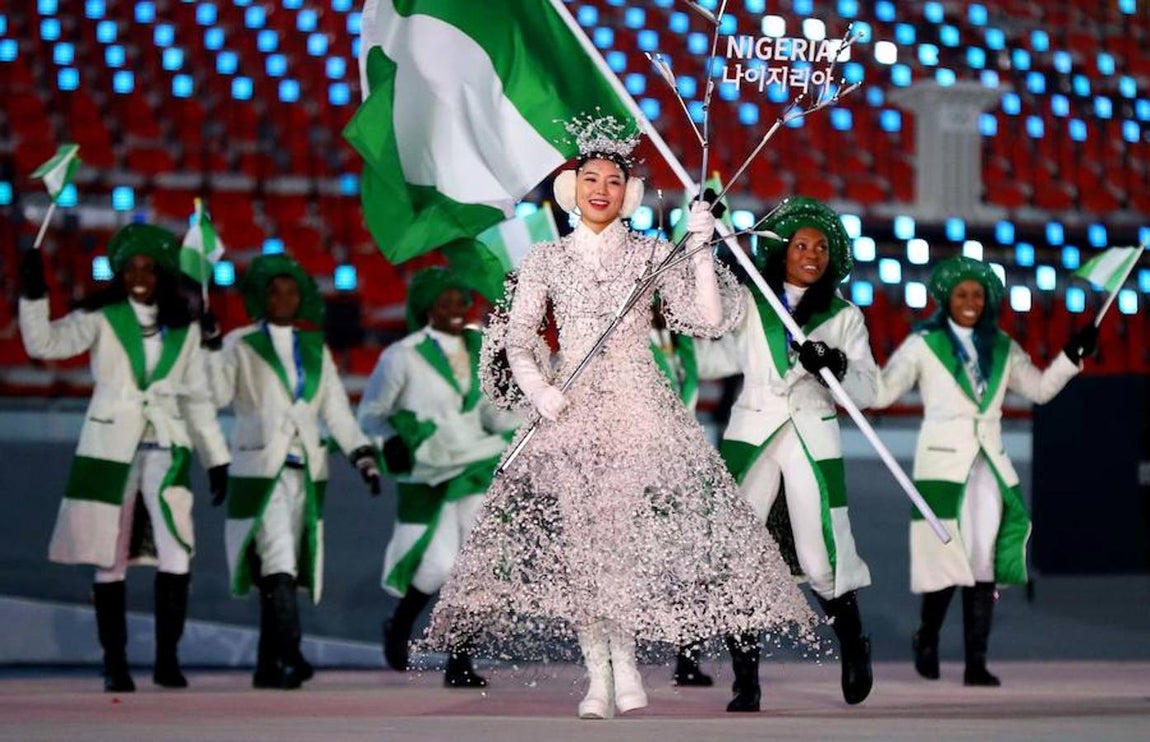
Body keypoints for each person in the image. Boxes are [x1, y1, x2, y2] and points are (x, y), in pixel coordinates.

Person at [424, 115, 817, 720]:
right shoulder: (545, 260)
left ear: (627, 191)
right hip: (572, 411)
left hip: (639, 406)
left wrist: (700, 245)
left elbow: (708, 320)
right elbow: (520, 341)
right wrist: (539, 390)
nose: (600, 188)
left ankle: (626, 666)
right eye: (590, 178)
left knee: (623, 545)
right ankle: (598, 677)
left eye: (613, 179)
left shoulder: (650, 253)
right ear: (573, 187)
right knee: (586, 546)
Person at [17, 224, 230, 692]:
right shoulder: (102, 317)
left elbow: (197, 399)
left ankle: (166, 661)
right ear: (119, 272)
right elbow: (43, 345)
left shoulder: (185, 328)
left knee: (178, 550)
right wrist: (34, 294)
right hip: (110, 450)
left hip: (167, 449)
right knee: (108, 556)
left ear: (161, 274)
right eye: (131, 267)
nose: (139, 276)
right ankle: (115, 662)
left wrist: (217, 459)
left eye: (148, 268)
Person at [871, 255, 1097, 687]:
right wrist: (843, 370)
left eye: (978, 294)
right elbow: (882, 391)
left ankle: (976, 661)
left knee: (982, 560)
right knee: (944, 557)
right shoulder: (923, 343)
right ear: (946, 299)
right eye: (962, 294)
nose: (971, 301)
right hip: (941, 465)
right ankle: (928, 638)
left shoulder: (1004, 346)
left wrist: (1071, 355)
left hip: (989, 467)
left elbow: (1040, 389)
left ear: (989, 299)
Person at [705, 197, 878, 709]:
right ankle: (746, 681)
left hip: (812, 432)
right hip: (751, 430)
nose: (811, 254)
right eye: (801, 245)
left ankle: (853, 646)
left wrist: (836, 363)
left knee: (821, 554)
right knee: (739, 555)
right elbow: (711, 354)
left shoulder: (845, 315)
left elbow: (869, 391)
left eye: (822, 247)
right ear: (781, 252)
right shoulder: (748, 300)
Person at [203, 253, 381, 690]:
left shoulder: (315, 348)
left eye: (290, 291)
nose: (283, 298)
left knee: (280, 564)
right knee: (278, 558)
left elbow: (336, 412)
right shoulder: (240, 344)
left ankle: (267, 665)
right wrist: (209, 347)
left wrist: (362, 456)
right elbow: (217, 393)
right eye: (274, 291)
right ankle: (293, 652)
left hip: (307, 471)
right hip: (258, 469)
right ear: (260, 297)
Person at [357, 267, 519, 688]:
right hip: (428, 471)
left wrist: (520, 404)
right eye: (443, 302)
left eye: (459, 302)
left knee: (477, 566)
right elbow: (371, 415)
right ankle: (400, 622)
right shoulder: (401, 356)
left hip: (477, 462)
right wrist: (390, 438)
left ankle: (460, 660)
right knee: (436, 567)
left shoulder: (479, 347)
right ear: (425, 306)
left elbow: (489, 413)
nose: (453, 309)